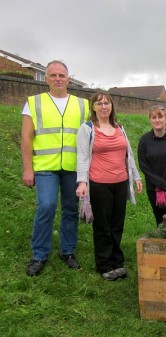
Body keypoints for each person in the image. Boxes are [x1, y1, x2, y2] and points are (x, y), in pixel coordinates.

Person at [21, 60, 89, 276]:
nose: (58, 79)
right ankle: (39, 254)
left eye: (62, 75)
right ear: (46, 78)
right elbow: (26, 137)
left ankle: (67, 251)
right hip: (45, 167)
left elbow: (92, 136)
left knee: (70, 209)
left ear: (68, 79)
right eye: (53, 75)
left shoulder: (83, 104)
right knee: (47, 206)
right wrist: (27, 169)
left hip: (73, 167)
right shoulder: (33, 102)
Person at [76, 92, 142, 281]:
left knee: (117, 224)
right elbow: (82, 156)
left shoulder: (119, 128)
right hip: (99, 184)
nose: (104, 106)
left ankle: (117, 261)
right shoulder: (87, 129)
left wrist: (135, 177)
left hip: (120, 183)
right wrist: (82, 182)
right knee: (103, 226)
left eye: (107, 103)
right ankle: (104, 264)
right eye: (99, 103)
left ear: (111, 106)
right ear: (93, 107)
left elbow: (128, 154)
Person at [138, 105, 166, 225]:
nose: (157, 120)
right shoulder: (144, 140)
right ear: (150, 120)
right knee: (161, 221)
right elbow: (143, 164)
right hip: (155, 188)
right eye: (153, 117)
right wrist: (160, 183)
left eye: (160, 117)